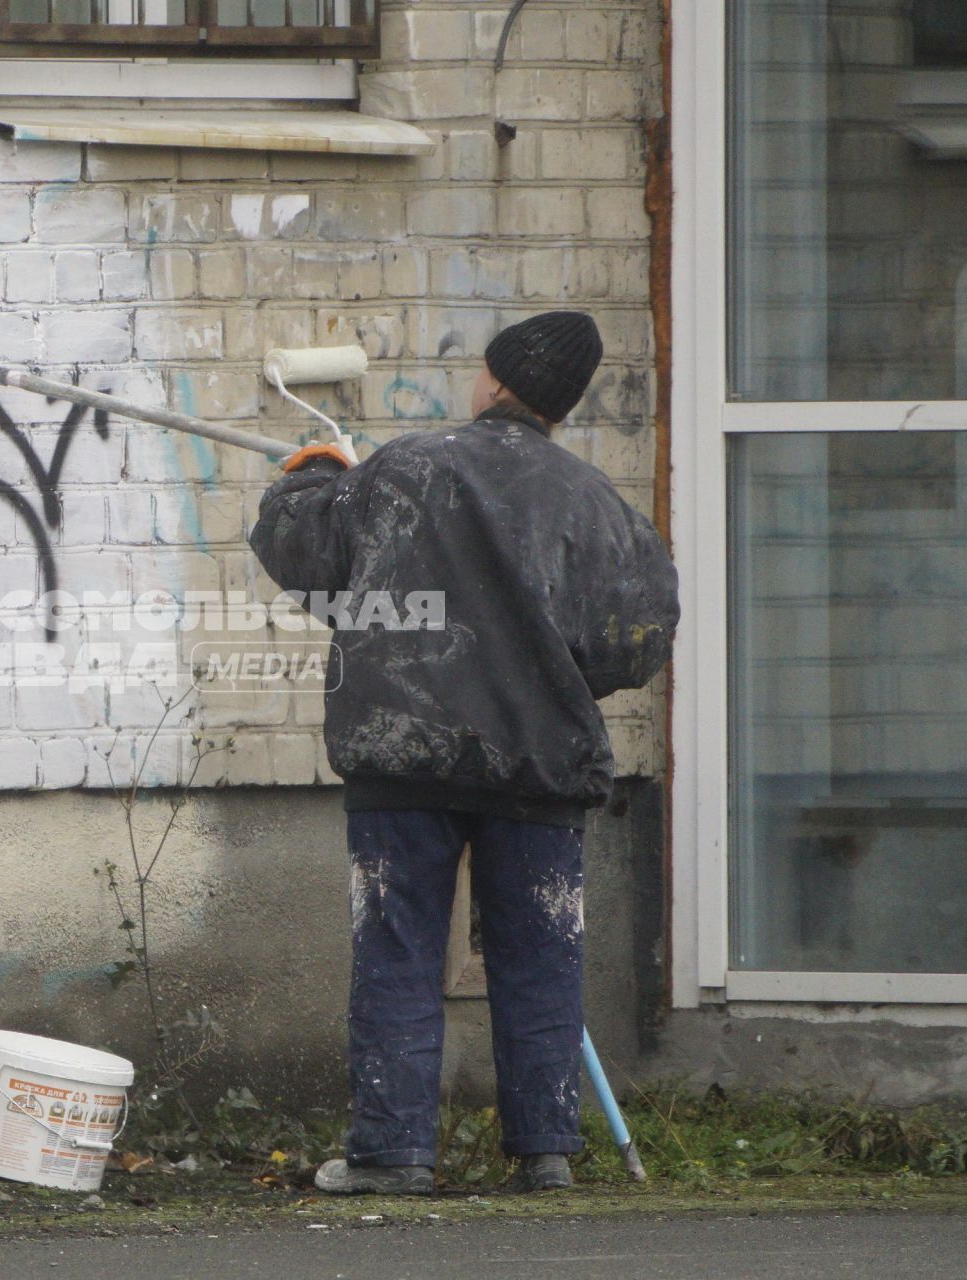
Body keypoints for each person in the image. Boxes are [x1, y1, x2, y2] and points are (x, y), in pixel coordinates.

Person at [249, 311, 679, 1195]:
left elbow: (310, 559)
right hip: (539, 764)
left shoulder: (409, 467)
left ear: (491, 381)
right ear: (560, 406)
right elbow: (635, 640)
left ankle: (392, 1154)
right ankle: (546, 1153)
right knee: (538, 956)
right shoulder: (597, 504)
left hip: (404, 759)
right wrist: (548, 673)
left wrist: (309, 478)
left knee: (399, 948)